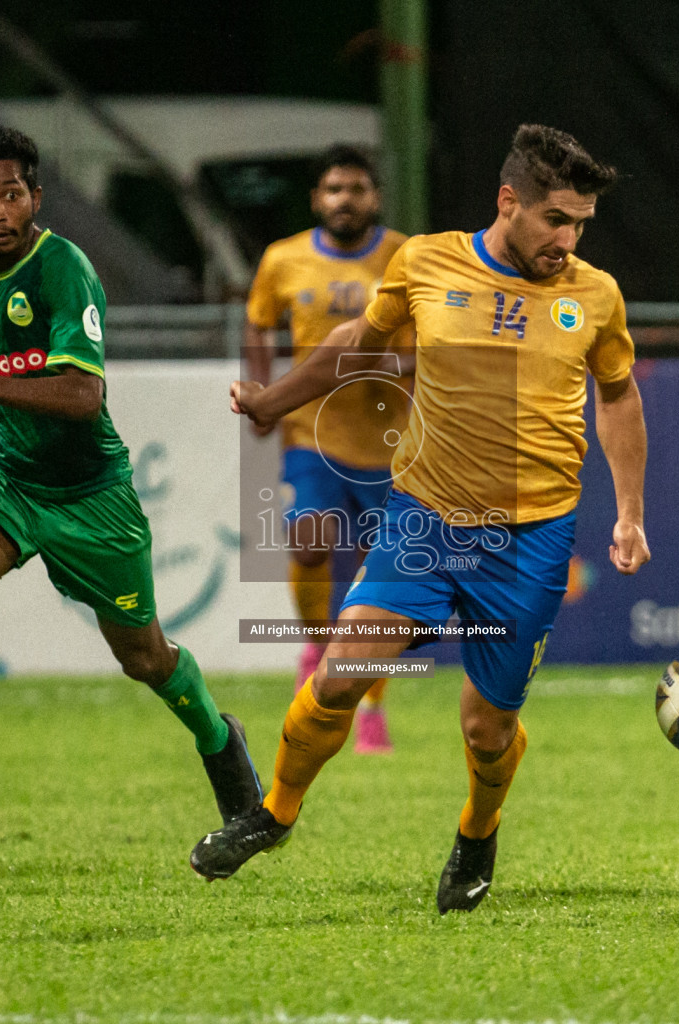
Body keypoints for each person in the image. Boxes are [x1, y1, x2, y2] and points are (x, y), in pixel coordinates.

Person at [191, 125, 651, 913]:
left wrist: (631, 514)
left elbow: (616, 395)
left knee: (485, 730)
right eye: (555, 220)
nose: (567, 240)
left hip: (531, 540)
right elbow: (353, 343)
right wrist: (271, 401)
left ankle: (477, 831)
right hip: (426, 522)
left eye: (580, 224)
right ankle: (272, 815)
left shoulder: (593, 294)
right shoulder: (426, 261)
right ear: (509, 202)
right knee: (339, 677)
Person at [0, 126, 262, 853]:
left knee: (145, 659)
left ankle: (216, 739)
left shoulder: (63, 269)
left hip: (86, 492)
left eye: (11, 195)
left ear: (36, 197)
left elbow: (81, 393)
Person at [243, 145, 409, 753]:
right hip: (312, 431)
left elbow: (426, 342)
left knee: (382, 582)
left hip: (389, 441)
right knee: (309, 540)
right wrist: (266, 389)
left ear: (376, 198)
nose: (345, 199)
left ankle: (370, 704)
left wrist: (380, 364)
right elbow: (258, 320)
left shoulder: (404, 257)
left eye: (358, 188)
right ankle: (317, 648)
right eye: (334, 189)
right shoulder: (283, 259)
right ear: (317, 199)